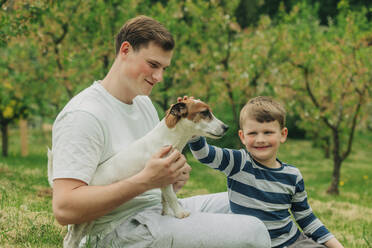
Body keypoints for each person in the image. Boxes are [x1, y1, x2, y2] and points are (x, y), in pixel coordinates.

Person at [50, 15, 270, 247]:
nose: (159, 77)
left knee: (254, 199)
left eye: (164, 68)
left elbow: (151, 172)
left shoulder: (143, 103)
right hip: (116, 229)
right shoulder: (83, 115)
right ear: (125, 50)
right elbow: (65, 209)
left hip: (156, 210)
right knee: (253, 231)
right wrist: (146, 181)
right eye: (153, 65)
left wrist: (171, 177)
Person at [188, 96, 344, 248]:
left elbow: (306, 219)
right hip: (251, 242)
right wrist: (193, 127)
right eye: (253, 133)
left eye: (268, 132)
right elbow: (204, 154)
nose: (260, 139)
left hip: (292, 242)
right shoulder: (239, 162)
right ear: (242, 136)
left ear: (283, 134)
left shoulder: (292, 176)